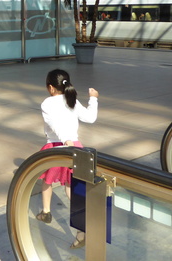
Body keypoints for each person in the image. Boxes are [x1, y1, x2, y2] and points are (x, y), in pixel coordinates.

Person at [35, 69, 99, 249]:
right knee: (71, 189)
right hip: (75, 147)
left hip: (57, 147)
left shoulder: (47, 103)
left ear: (50, 87)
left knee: (47, 181)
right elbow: (90, 117)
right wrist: (93, 98)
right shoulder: (72, 100)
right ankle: (80, 229)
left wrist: (65, 140)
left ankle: (46, 212)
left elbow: (54, 124)